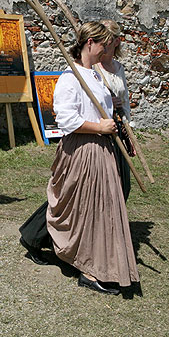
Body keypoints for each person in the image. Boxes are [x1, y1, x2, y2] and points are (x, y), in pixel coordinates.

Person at [44, 21, 139, 294]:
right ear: (89, 43)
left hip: (102, 149)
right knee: (87, 211)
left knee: (104, 211)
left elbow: (105, 107)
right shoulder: (70, 78)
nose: (107, 49)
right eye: (104, 44)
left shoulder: (95, 75)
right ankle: (88, 268)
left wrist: (114, 111)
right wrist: (99, 127)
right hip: (83, 150)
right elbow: (65, 119)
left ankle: (104, 265)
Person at [95, 19, 132, 201]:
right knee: (102, 183)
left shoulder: (118, 68)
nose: (103, 43)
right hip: (99, 129)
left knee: (123, 182)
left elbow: (124, 101)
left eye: (107, 38)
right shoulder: (93, 68)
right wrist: (108, 101)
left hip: (117, 127)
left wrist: (129, 130)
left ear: (116, 41)